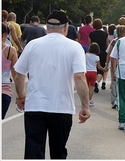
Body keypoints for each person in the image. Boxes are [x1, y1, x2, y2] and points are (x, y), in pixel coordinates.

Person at [13, 10, 90, 159]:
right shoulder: (75, 47)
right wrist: (85, 106)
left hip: (35, 106)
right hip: (61, 107)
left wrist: (21, 96)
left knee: (33, 151)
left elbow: (19, 73)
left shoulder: (32, 45)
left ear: (46, 27)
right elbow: (80, 77)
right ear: (66, 27)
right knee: (58, 152)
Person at [105, 25, 125, 109]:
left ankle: (114, 100)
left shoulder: (114, 41)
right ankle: (120, 99)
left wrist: (107, 63)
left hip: (114, 63)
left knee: (114, 82)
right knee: (122, 82)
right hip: (123, 64)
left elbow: (109, 53)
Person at [2, 23, 18, 119]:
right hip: (4, 92)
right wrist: (20, 95)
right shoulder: (10, 51)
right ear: (4, 34)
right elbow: (15, 74)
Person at [88, 18, 109, 92]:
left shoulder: (91, 34)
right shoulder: (105, 34)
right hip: (103, 53)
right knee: (101, 69)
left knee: (95, 68)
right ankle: (97, 82)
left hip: (94, 52)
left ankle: (94, 82)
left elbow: (89, 44)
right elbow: (107, 44)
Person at [86, 42, 107, 107]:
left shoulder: (86, 55)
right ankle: (89, 101)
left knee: (86, 87)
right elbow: (99, 67)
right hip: (93, 72)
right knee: (91, 87)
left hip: (86, 72)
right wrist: (104, 70)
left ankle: (85, 100)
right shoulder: (97, 57)